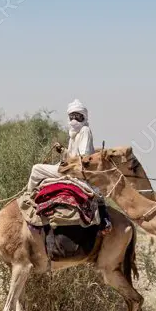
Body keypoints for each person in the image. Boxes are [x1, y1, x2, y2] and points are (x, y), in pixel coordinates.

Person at [27, 99, 111, 231]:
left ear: (83, 117)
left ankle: (29, 197)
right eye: (71, 116)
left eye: (77, 116)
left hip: (76, 171)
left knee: (36, 169)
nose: (74, 119)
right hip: (71, 167)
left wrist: (66, 163)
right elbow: (72, 156)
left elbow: (82, 157)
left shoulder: (84, 131)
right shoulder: (74, 134)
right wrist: (63, 151)